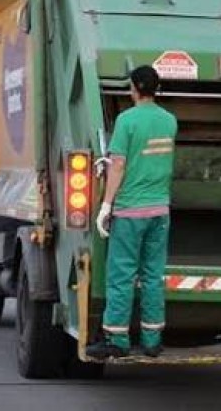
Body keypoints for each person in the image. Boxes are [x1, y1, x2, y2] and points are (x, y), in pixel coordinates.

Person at [85, 65, 178, 360]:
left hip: (130, 211)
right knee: (153, 276)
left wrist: (106, 205)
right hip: (160, 211)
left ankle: (117, 340)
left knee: (121, 276)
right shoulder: (169, 121)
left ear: (135, 88)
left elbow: (119, 166)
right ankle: (152, 340)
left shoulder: (126, 120)